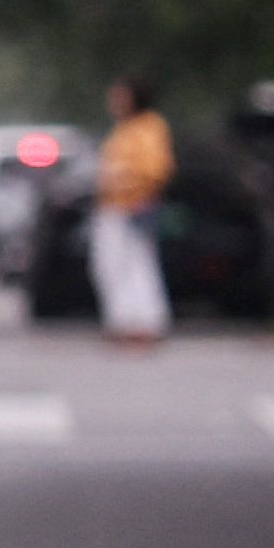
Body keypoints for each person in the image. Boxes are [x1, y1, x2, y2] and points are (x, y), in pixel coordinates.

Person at [91, 75, 175, 348]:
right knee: (111, 266)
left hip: (133, 206)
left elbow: (156, 169)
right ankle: (122, 321)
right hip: (113, 206)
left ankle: (144, 322)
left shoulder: (148, 127)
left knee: (137, 266)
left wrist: (124, 181)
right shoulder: (124, 129)